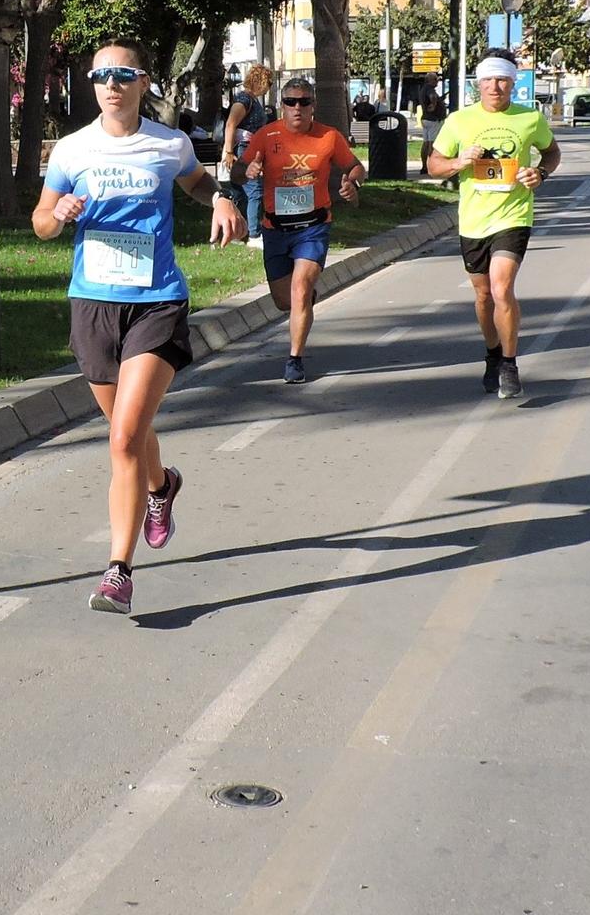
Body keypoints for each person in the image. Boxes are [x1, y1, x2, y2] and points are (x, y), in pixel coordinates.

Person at [34, 40, 246, 615]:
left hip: (156, 302)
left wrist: (222, 201)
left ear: (142, 81)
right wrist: (59, 215)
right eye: (101, 74)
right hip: (94, 304)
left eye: (123, 75)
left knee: (124, 437)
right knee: (130, 429)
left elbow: (197, 181)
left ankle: (117, 572)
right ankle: (162, 487)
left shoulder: (168, 143)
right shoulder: (73, 149)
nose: (112, 84)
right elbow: (40, 221)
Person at [424, 49, 561, 400]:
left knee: (502, 289)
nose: (495, 87)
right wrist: (459, 161)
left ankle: (511, 365)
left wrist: (540, 173)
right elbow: (434, 165)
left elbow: (551, 152)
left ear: (513, 84)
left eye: (502, 80)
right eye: (488, 80)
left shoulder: (530, 119)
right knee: (483, 296)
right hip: (473, 221)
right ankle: (493, 353)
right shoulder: (459, 121)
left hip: (513, 216)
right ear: (478, 84)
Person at [241, 76, 364, 384]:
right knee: (285, 300)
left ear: (312, 106)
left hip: (313, 227)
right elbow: (237, 170)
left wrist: (353, 182)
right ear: (281, 106)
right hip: (275, 228)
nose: (297, 108)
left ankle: (294, 359)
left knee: (299, 290)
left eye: (304, 102)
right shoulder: (265, 136)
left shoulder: (329, 137)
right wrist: (249, 170)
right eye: (290, 102)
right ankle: (304, 300)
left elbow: (354, 166)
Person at [221, 64, 273, 243]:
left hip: (248, 148)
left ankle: (235, 233)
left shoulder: (251, 99)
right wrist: (228, 151)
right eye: (269, 82)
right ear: (261, 81)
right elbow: (231, 124)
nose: (269, 87)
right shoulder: (243, 99)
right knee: (255, 191)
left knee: (239, 192)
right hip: (243, 148)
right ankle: (254, 234)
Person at [416, 85, 448, 176]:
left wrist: (440, 99)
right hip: (433, 120)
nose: (437, 82)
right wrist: (434, 105)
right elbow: (432, 97)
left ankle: (424, 166)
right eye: (435, 80)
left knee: (425, 143)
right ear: (431, 80)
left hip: (425, 119)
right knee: (432, 143)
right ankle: (431, 167)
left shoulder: (423, 89)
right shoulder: (429, 89)